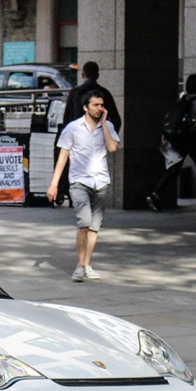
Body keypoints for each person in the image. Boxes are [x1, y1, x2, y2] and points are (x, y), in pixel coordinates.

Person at [46, 89, 120, 282]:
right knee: (84, 222)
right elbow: (63, 157)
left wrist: (104, 125)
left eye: (102, 105)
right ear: (85, 107)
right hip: (80, 181)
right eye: (96, 105)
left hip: (100, 181)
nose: (100, 109)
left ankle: (87, 264)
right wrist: (54, 184)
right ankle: (80, 265)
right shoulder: (73, 128)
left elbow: (113, 148)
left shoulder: (108, 126)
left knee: (94, 228)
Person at [147, 73, 196, 212]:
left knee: (175, 167)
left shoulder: (182, 98)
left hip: (177, 138)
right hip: (192, 138)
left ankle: (155, 193)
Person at [62, 61, 121, 134]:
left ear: (83, 75)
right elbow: (116, 120)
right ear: (97, 76)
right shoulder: (105, 93)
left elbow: (67, 118)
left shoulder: (75, 92)